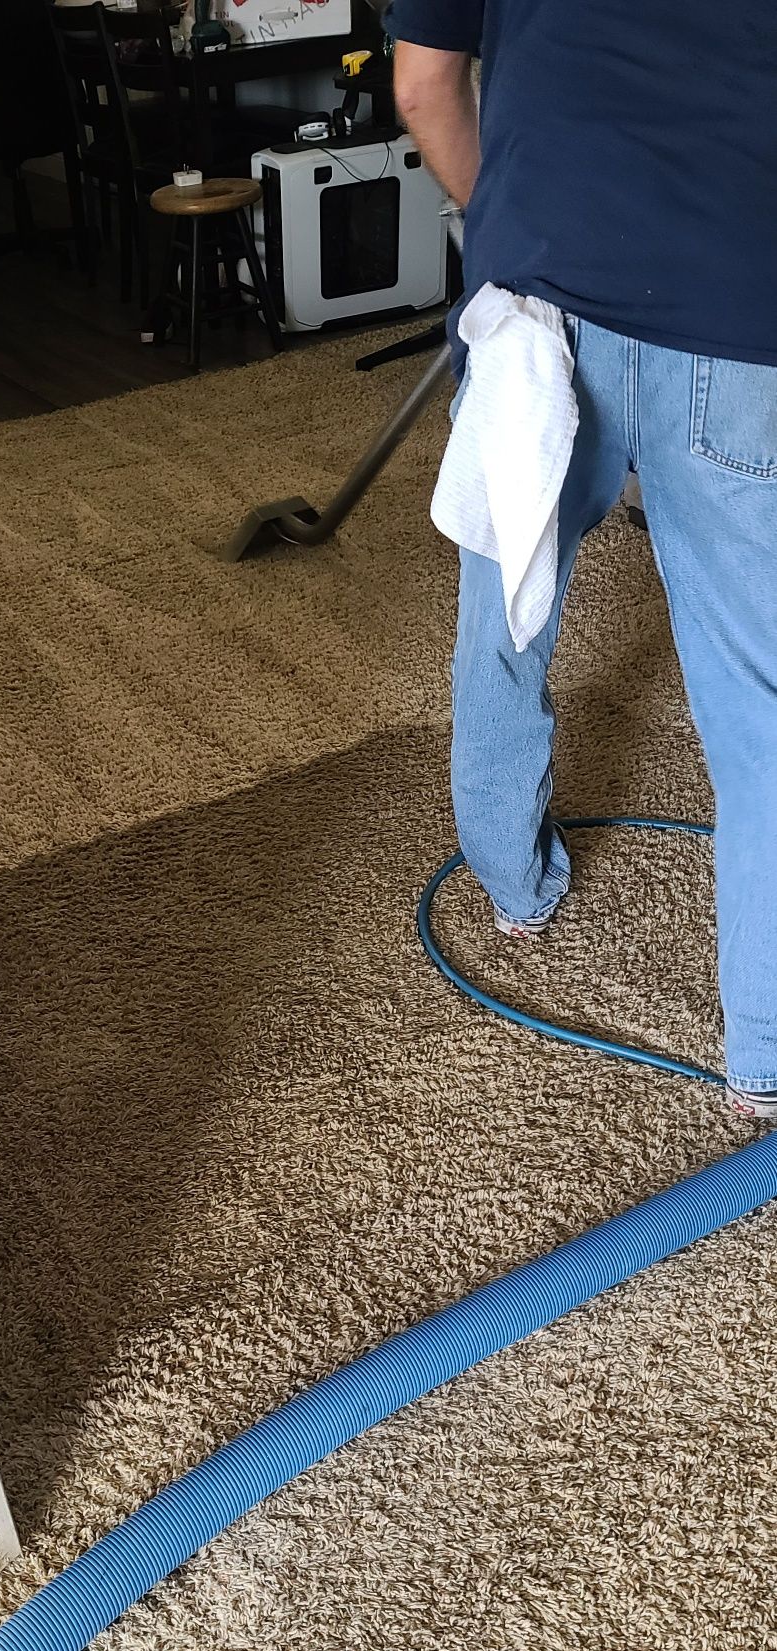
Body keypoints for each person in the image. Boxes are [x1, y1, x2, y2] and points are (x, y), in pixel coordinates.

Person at [389, 1, 777, 1118]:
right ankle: (763, 1052)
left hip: (538, 295)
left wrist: (511, 225)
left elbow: (423, 87)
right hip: (737, 305)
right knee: (760, 699)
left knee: (506, 616)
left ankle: (513, 886)